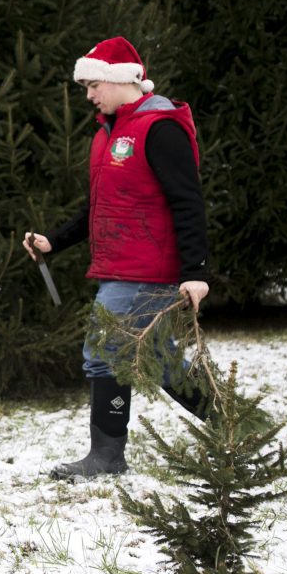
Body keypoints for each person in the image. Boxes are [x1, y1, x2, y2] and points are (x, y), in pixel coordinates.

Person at [23, 37, 209, 480]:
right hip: (122, 266)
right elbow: (101, 203)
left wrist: (197, 272)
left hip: (146, 268)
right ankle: (235, 426)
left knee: (104, 352)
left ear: (120, 79)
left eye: (93, 85)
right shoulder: (109, 132)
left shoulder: (159, 128)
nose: (88, 94)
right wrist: (56, 240)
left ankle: (106, 457)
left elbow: (188, 201)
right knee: (160, 360)